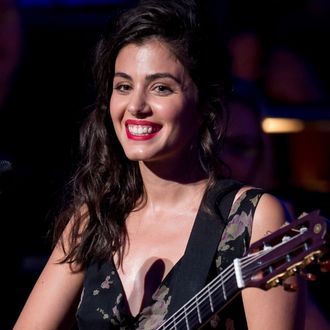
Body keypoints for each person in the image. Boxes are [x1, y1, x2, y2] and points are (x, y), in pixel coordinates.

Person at [13, 0, 306, 329]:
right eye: (123, 86)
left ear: (205, 106)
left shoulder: (251, 217)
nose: (136, 105)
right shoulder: (94, 219)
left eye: (161, 88)